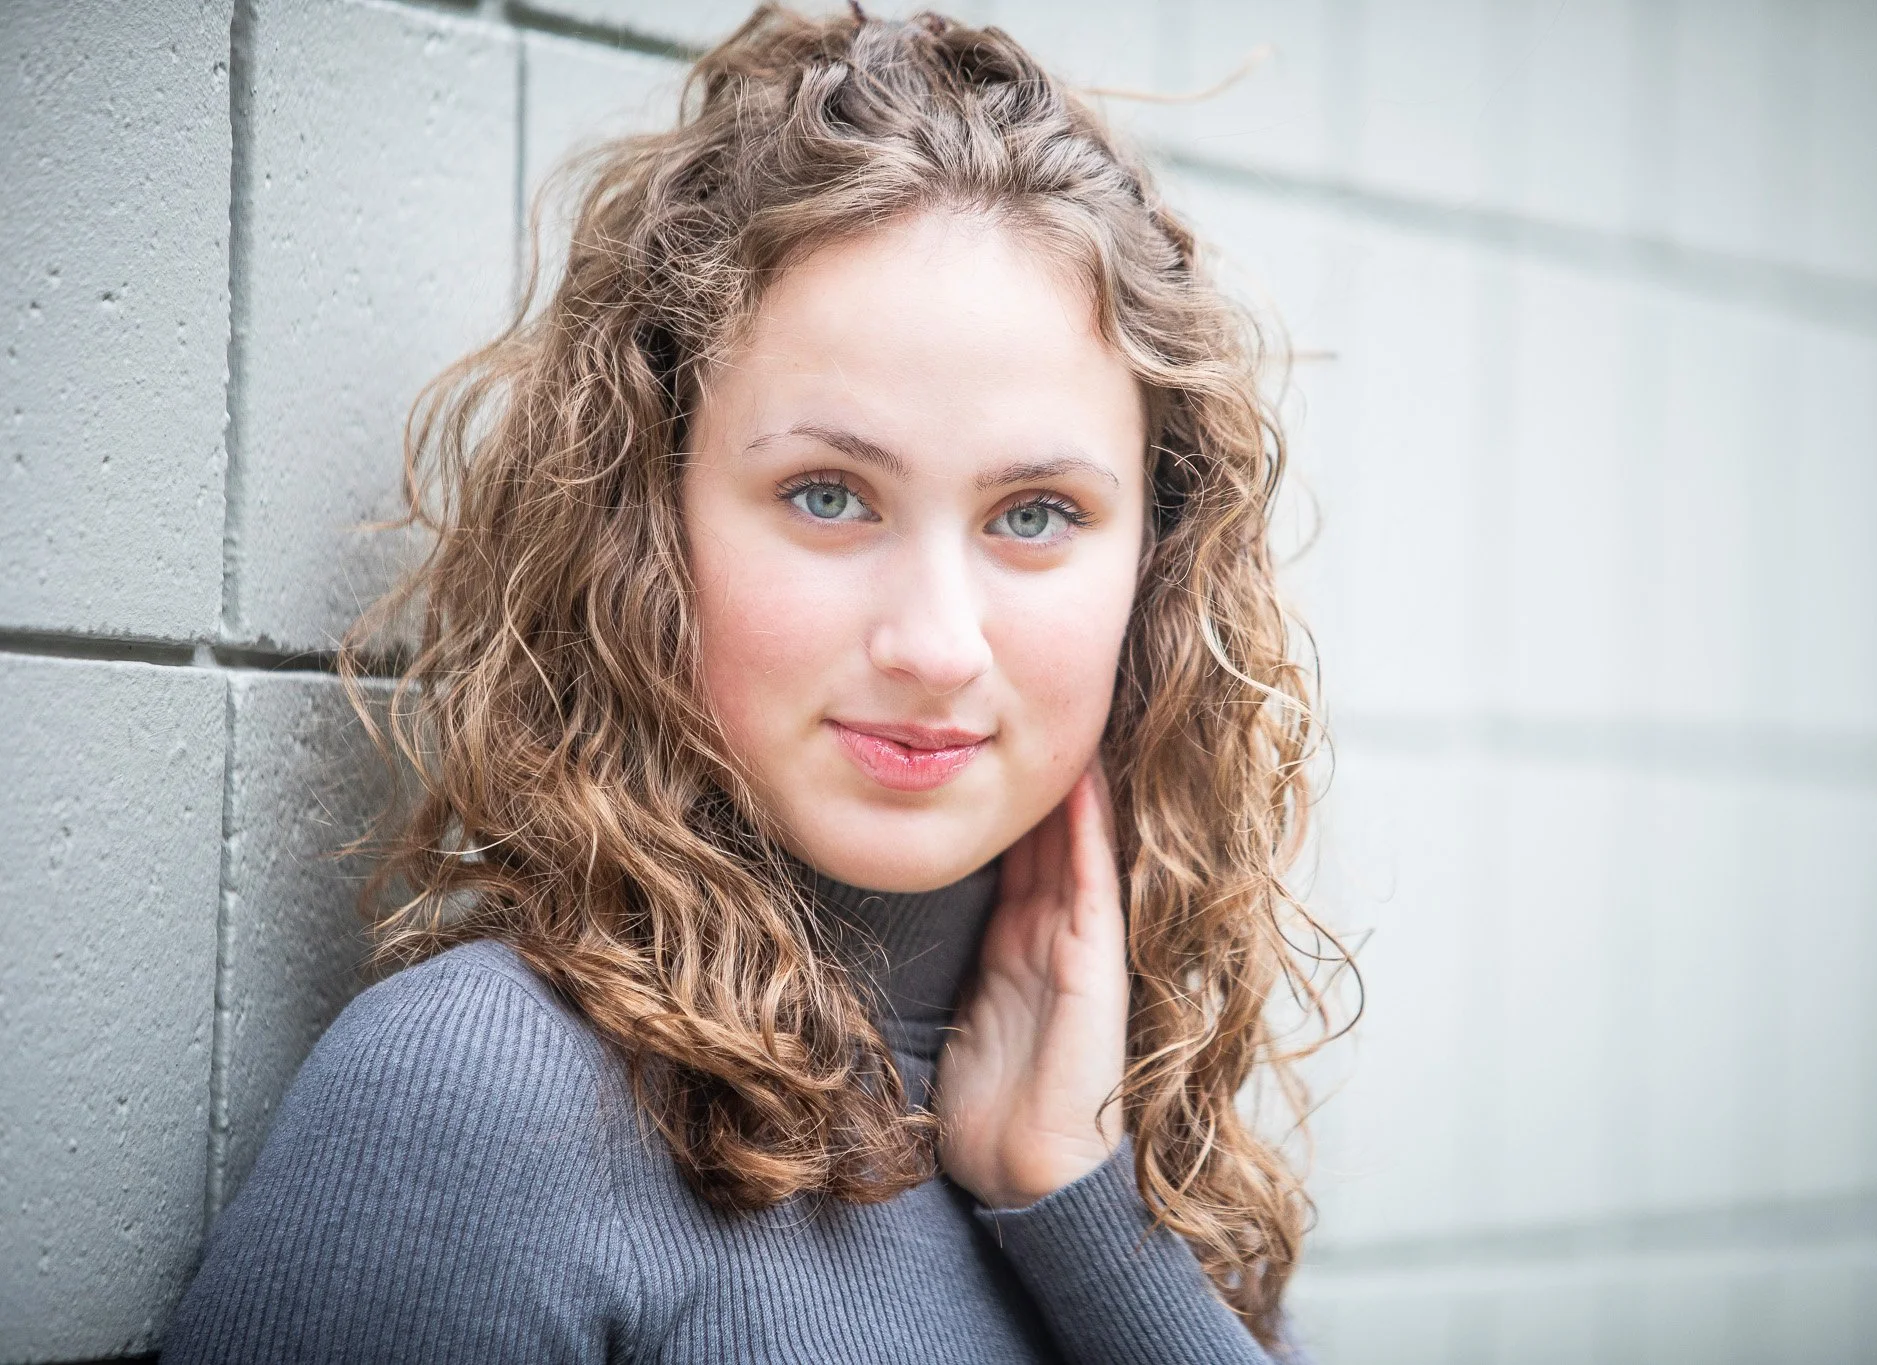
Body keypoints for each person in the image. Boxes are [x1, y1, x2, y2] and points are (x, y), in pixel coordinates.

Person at [163, 5, 1349, 1361]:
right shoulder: (482, 1097)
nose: (936, 643)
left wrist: (1084, 1217)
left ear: (1160, 557)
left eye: (1034, 514)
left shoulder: (1153, 1143)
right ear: (649, 516)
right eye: (828, 494)